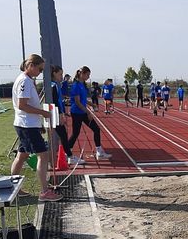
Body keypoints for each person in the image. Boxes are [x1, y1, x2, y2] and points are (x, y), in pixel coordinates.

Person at [10, 54, 62, 202]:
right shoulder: (25, 81)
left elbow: (29, 105)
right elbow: (23, 105)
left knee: (22, 156)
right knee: (43, 155)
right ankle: (45, 192)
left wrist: (38, 123)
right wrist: (43, 113)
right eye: (39, 69)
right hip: (26, 125)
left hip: (27, 124)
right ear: (31, 65)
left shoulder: (26, 80)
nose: (40, 72)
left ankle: (14, 187)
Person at [68, 66, 112, 160]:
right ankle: (67, 153)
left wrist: (91, 103)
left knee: (96, 129)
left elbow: (83, 100)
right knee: (75, 133)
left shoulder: (82, 84)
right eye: (87, 74)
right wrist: (88, 112)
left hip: (82, 111)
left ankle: (99, 152)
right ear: (82, 74)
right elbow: (77, 102)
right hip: (77, 112)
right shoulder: (76, 85)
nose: (88, 76)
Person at [51, 65, 85, 165]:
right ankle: (69, 156)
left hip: (56, 113)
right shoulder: (53, 86)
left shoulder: (55, 85)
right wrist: (60, 114)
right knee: (63, 135)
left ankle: (68, 156)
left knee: (63, 135)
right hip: (55, 114)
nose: (62, 76)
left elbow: (58, 101)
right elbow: (55, 102)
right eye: (60, 74)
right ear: (54, 73)